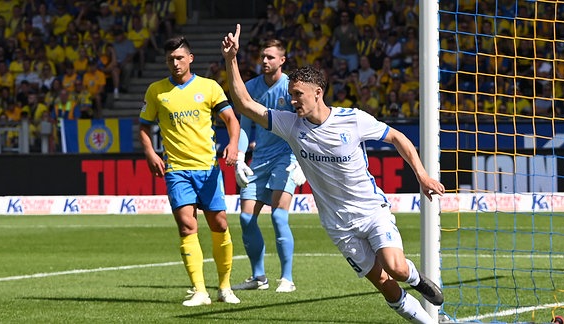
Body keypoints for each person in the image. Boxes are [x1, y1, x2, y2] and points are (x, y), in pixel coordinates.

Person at [222, 24, 445, 324]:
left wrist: (422, 175)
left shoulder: (353, 120)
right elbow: (245, 104)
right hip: (338, 224)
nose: (292, 100)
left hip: (370, 210)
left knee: (397, 268)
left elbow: (397, 137)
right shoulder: (290, 124)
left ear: (318, 93)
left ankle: (417, 279)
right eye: (291, 95)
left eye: (298, 94)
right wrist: (231, 60)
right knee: (385, 286)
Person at [138, 35, 241, 307]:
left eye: (180, 57)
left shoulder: (209, 87)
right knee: (187, 226)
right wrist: (150, 153)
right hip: (177, 170)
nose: (175, 62)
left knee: (219, 223)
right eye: (171, 59)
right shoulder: (156, 91)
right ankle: (199, 290)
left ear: (190, 59)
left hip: (208, 169)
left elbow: (231, 119)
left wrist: (233, 145)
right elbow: (144, 127)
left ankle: (224, 286)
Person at [230, 39, 306, 294]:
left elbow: (304, 123)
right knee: (245, 217)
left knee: (278, 215)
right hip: (259, 158)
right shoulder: (251, 87)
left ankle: (287, 278)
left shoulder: (291, 87)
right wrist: (240, 157)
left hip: (287, 156)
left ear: (282, 60)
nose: (265, 61)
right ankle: (258, 276)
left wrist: (302, 161)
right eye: (263, 56)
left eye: (271, 57)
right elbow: (245, 125)